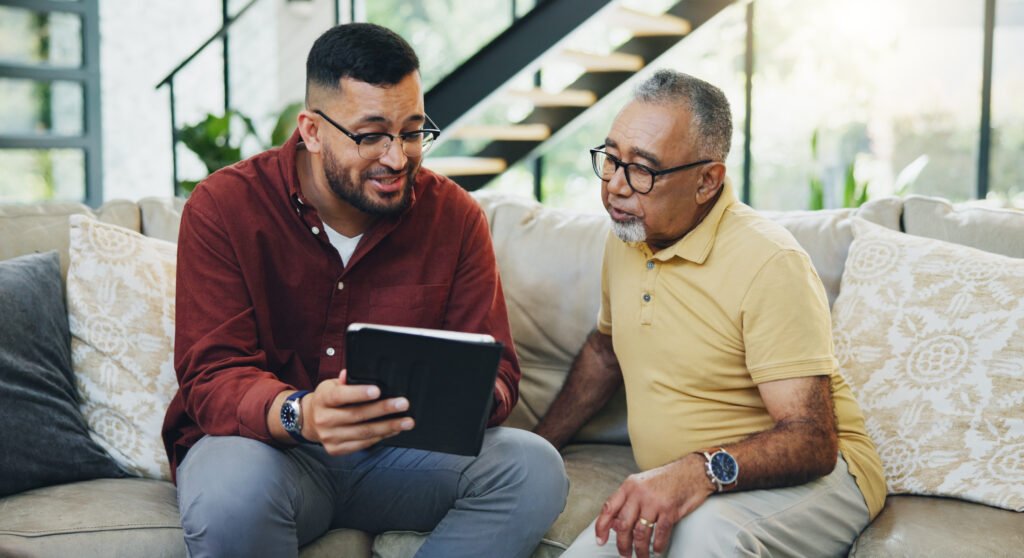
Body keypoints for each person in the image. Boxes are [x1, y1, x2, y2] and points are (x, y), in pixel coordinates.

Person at [162, 22, 567, 558]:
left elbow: (500, 375)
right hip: (272, 453)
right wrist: (300, 413)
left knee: (534, 468)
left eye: (412, 131)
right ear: (311, 131)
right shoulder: (223, 207)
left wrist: (462, 395)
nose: (397, 158)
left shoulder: (457, 218)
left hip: (404, 459)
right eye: (371, 134)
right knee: (228, 491)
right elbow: (212, 374)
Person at [533, 70, 885, 558]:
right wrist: (539, 445)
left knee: (705, 539)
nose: (615, 185)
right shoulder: (629, 236)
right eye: (611, 158)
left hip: (826, 478)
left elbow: (813, 441)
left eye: (642, 169)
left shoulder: (769, 262)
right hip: (683, 478)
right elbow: (605, 351)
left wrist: (696, 471)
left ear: (706, 181)